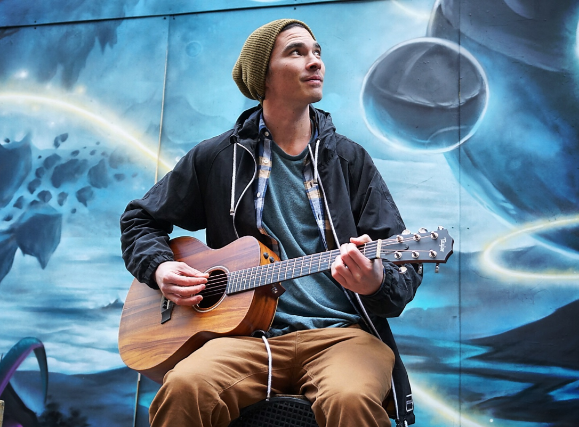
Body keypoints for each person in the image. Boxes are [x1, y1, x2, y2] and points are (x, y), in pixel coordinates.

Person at [120, 19, 422, 427]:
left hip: (342, 335)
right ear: (263, 75)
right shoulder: (217, 158)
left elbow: (404, 263)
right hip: (243, 340)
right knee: (184, 387)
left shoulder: (349, 161)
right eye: (297, 52)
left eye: (317, 52)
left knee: (351, 399)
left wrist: (376, 283)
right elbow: (140, 219)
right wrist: (160, 268)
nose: (315, 62)